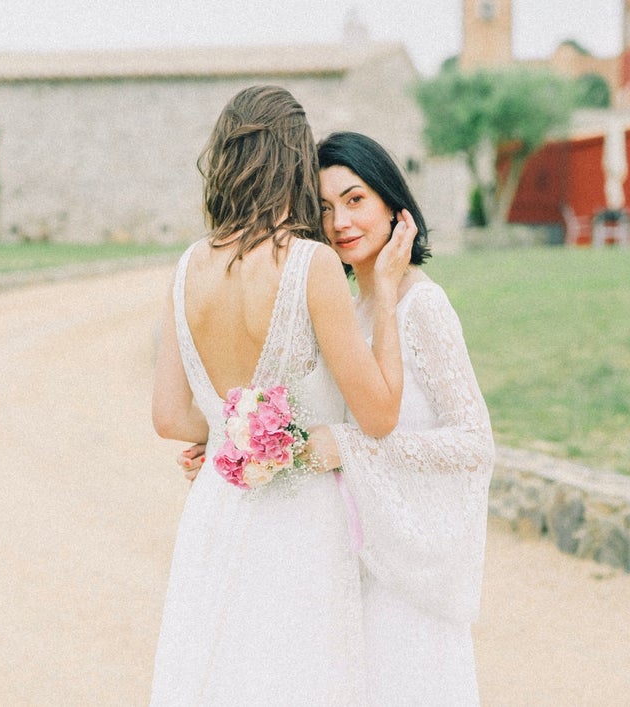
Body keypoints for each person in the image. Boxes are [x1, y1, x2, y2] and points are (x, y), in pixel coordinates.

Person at [178, 131, 495, 705]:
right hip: (348, 554)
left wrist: (350, 446)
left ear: (393, 205)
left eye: (355, 200)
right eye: (323, 209)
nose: (341, 222)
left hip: (403, 568)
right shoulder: (345, 309)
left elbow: (475, 444)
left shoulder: (423, 305)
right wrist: (240, 444)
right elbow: (317, 421)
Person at [150, 89, 416, 705]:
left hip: (218, 504)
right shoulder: (310, 264)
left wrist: (233, 432)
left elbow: (168, 417)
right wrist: (386, 294)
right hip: (298, 520)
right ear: (296, 161)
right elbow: (379, 415)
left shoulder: (188, 266)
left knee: (217, 675)